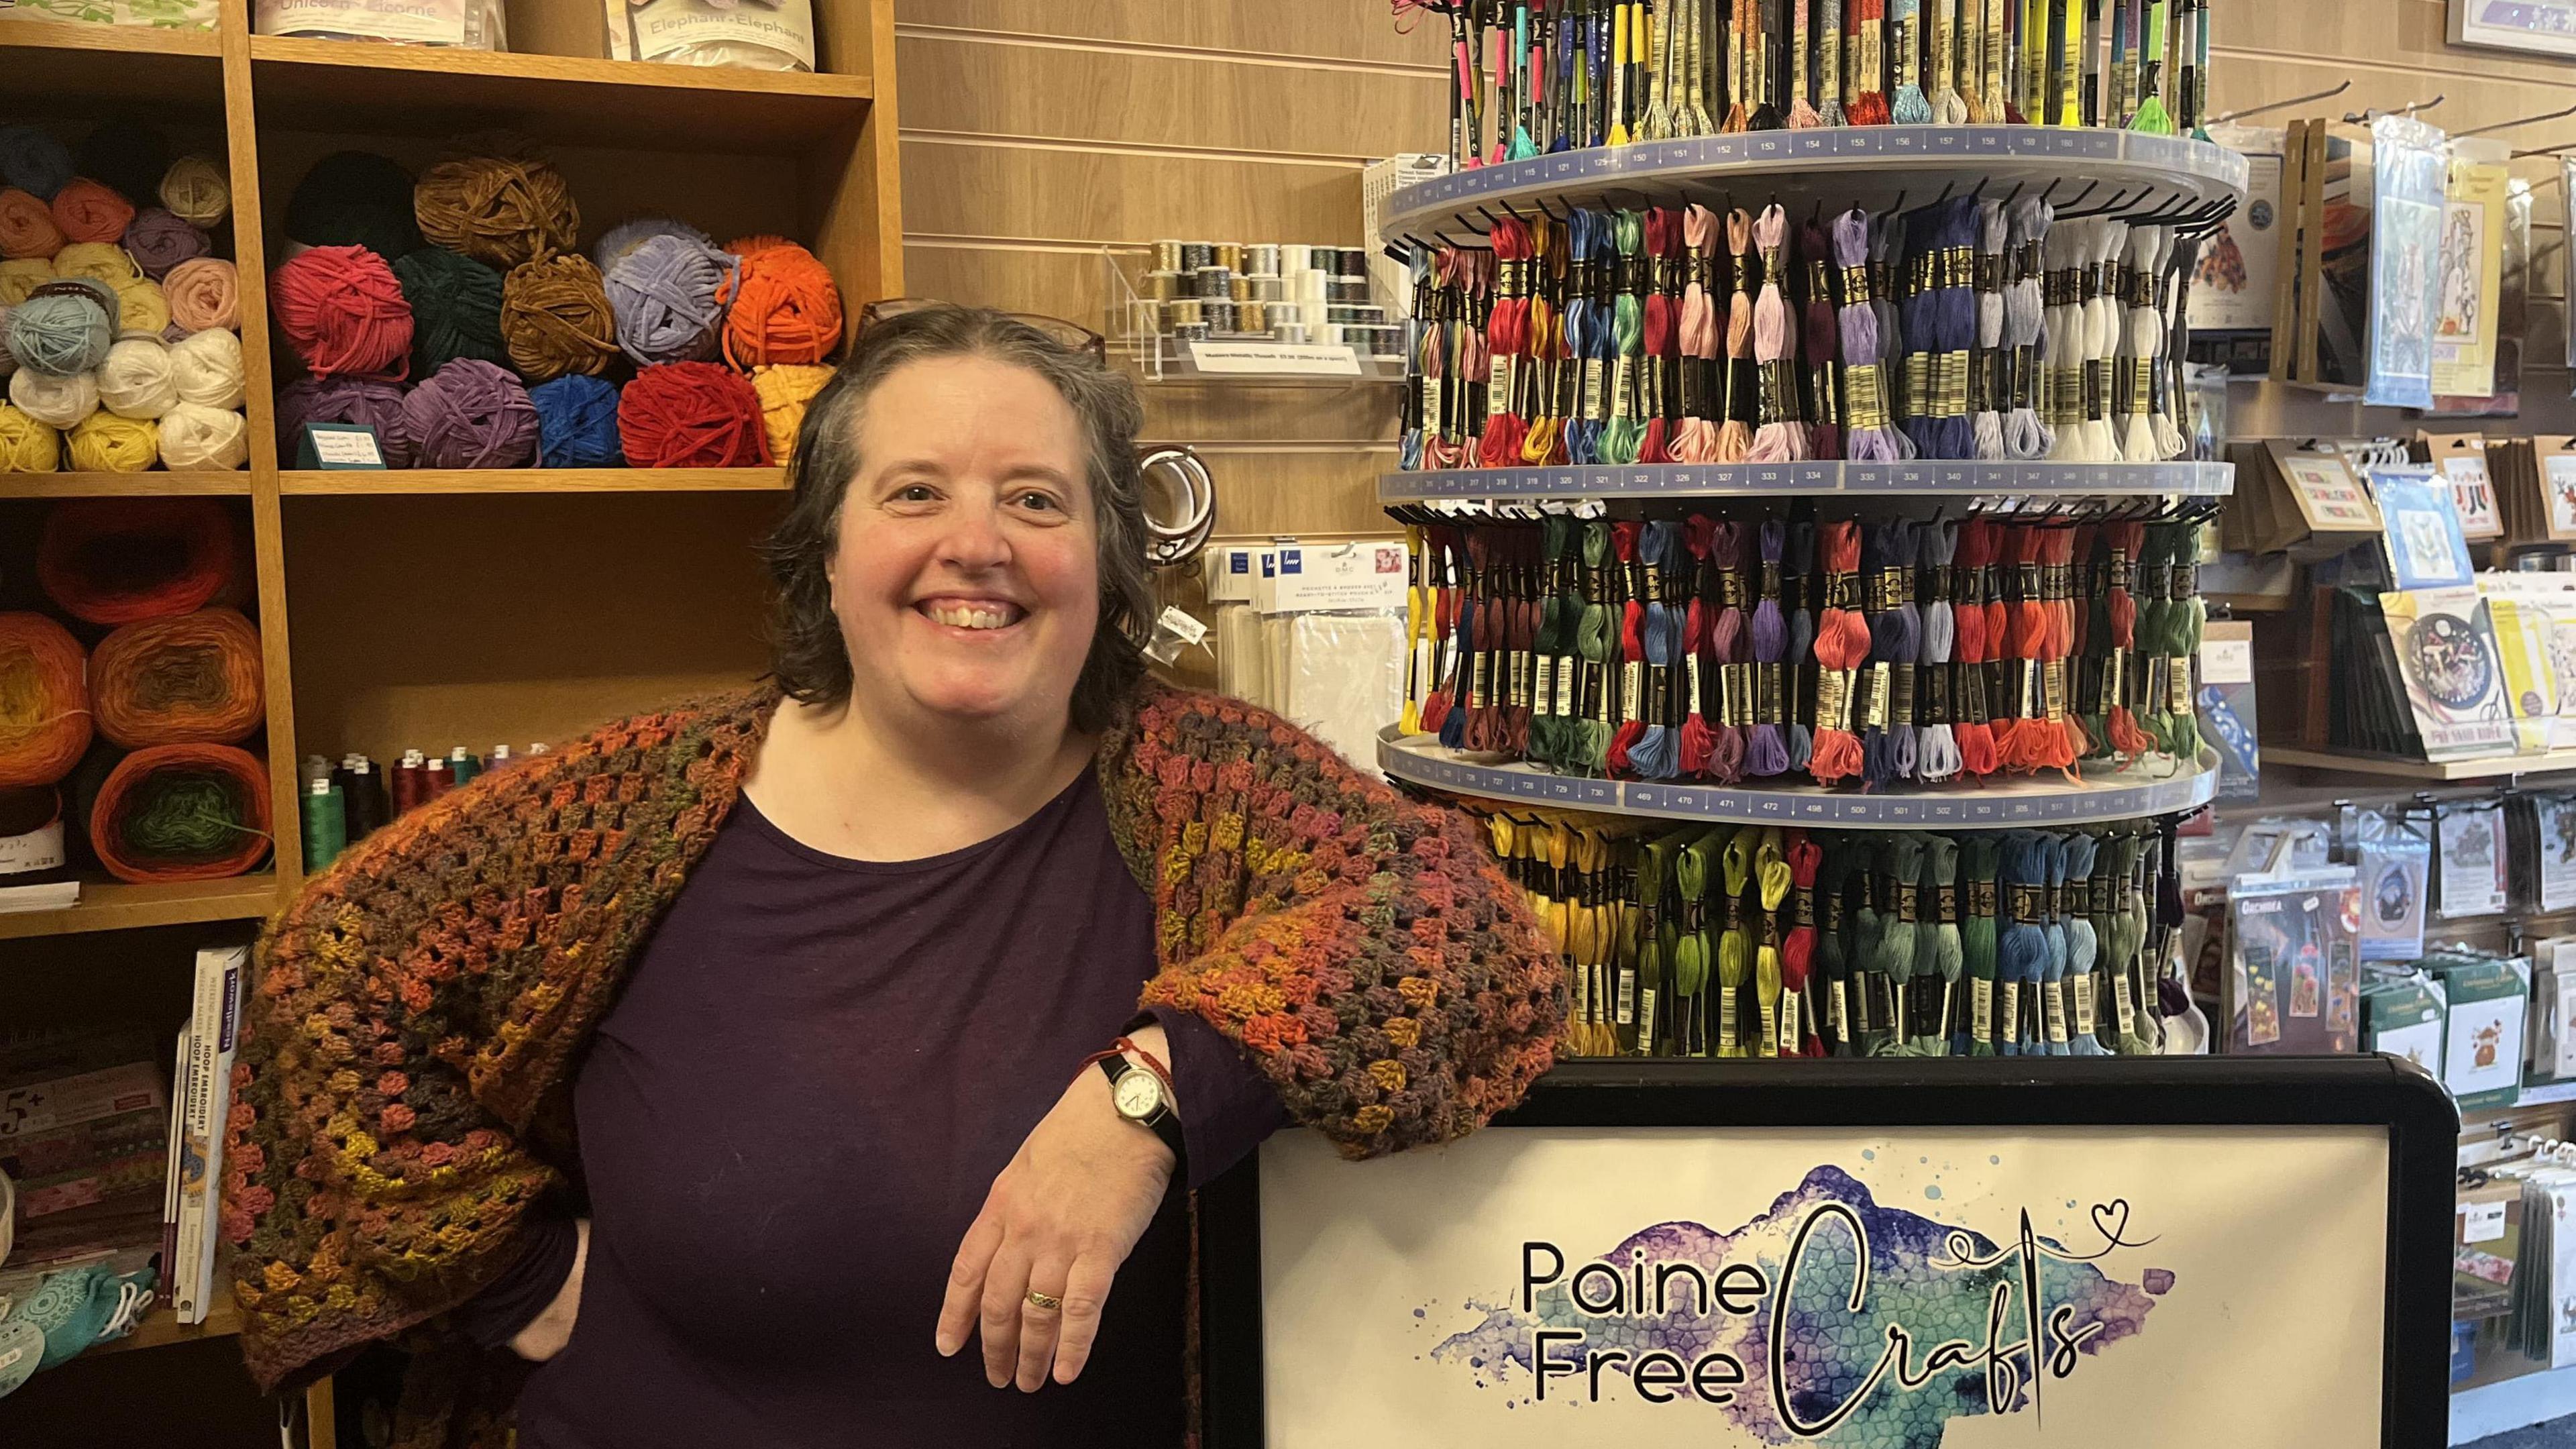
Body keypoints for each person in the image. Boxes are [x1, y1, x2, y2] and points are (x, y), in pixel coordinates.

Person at [222, 303, 1564, 1448]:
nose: (974, 543)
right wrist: (512, 1276)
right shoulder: (634, 808)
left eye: (1034, 499)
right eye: (914, 492)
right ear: (826, 548)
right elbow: (327, 966)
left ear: (1106, 556)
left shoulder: (1206, 785)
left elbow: (1463, 925)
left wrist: (1142, 1104)